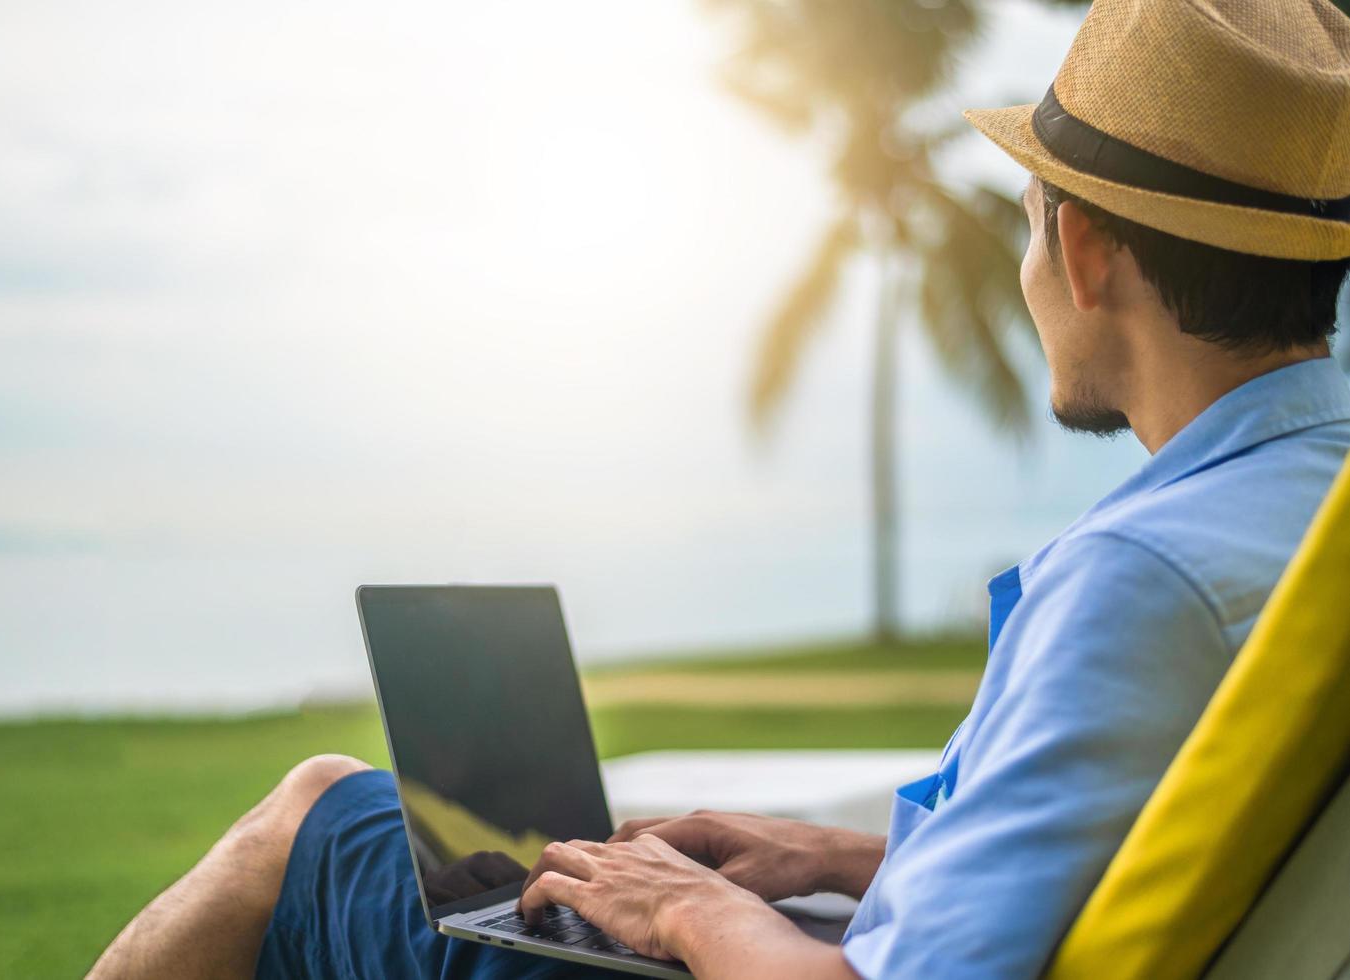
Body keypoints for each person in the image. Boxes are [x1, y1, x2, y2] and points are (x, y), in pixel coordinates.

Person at [90, 0, 1350, 976]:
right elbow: (1094, 837)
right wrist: (831, 854)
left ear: (1078, 249)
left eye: (1028, 219)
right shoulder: (1310, 514)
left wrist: (691, 906)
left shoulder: (1141, 581)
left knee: (319, 809)